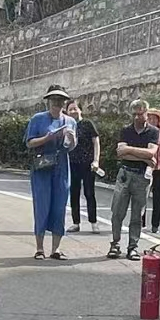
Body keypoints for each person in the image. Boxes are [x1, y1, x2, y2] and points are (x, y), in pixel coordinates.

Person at [25, 86, 78, 260]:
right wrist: (48, 138)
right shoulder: (38, 119)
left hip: (61, 166)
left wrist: (71, 140)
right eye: (54, 100)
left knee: (60, 206)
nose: (57, 104)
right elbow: (29, 142)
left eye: (61, 100)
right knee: (41, 205)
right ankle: (39, 248)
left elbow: (71, 147)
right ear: (48, 102)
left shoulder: (70, 122)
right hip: (42, 167)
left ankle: (56, 248)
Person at [109, 99, 159, 261]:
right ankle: (115, 243)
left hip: (142, 176)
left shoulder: (153, 131)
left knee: (138, 214)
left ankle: (133, 246)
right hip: (125, 173)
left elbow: (151, 153)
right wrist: (144, 157)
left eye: (140, 114)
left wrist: (129, 150)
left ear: (146, 113)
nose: (137, 117)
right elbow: (120, 153)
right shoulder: (126, 130)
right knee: (117, 211)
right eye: (134, 114)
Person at [66, 99, 101, 233]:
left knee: (89, 193)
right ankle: (76, 223)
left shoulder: (87, 124)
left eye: (75, 108)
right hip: (72, 163)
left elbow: (96, 142)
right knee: (74, 193)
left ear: (80, 110)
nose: (73, 111)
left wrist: (96, 160)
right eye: (70, 109)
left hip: (87, 164)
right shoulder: (67, 125)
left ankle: (93, 222)